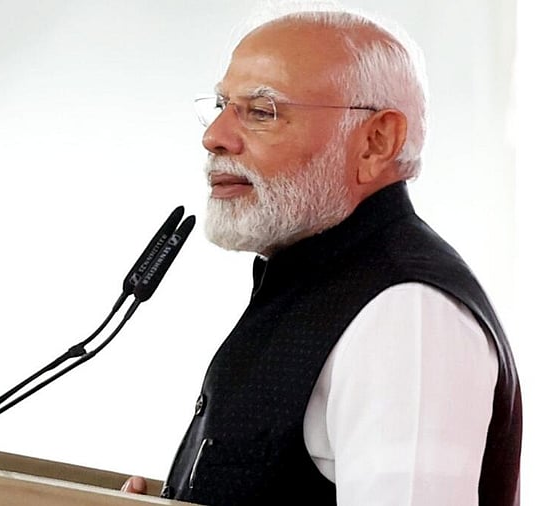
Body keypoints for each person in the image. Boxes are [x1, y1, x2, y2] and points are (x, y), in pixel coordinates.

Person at [121, 8, 521, 506]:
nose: (215, 136)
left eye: (262, 110)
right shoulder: (317, 282)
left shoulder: (404, 313)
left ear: (376, 141)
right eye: (222, 104)